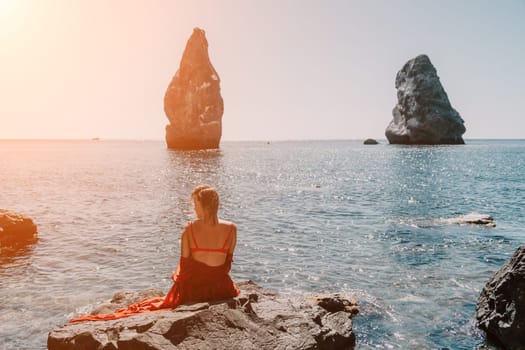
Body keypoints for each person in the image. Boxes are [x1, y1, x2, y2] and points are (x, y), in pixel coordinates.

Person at [70, 185, 239, 322]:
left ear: (205, 206)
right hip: (221, 290)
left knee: (147, 307)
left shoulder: (190, 229)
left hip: (193, 292)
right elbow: (226, 265)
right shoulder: (232, 229)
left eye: (196, 204)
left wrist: (179, 290)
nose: (194, 208)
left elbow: (185, 267)